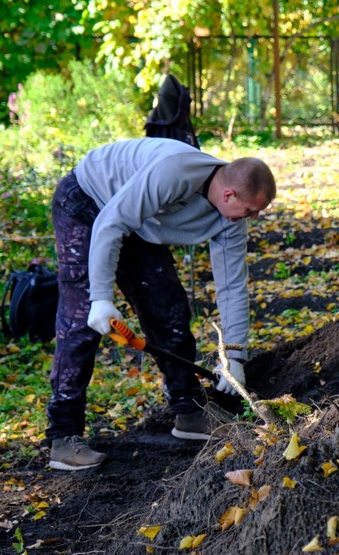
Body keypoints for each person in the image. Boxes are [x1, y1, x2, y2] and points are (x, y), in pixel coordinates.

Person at [46, 137, 277, 471]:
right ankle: (63, 437)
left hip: (139, 221)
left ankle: (190, 413)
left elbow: (232, 286)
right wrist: (100, 298)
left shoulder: (231, 218)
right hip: (88, 202)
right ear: (229, 194)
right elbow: (110, 222)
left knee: (169, 313)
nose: (253, 218)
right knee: (81, 320)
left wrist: (235, 354)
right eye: (251, 210)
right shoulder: (173, 173)